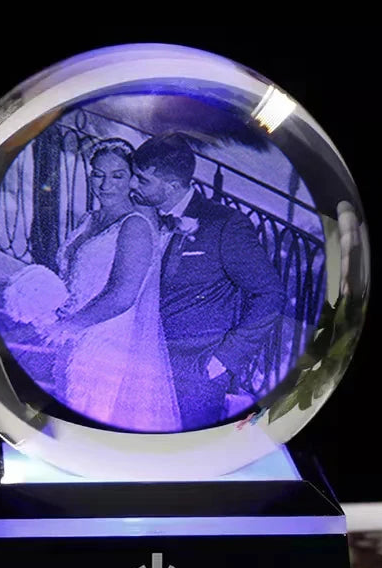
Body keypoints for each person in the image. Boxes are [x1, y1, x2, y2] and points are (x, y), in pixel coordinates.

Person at [131, 133, 285, 430]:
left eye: (142, 180)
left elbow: (270, 294)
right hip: (141, 361)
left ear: (171, 186)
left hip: (195, 372)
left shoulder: (225, 224)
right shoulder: (141, 215)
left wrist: (224, 359)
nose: (132, 185)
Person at [44, 138, 182, 432]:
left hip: (105, 342)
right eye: (98, 174)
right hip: (73, 333)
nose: (105, 185)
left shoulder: (136, 225)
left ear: (132, 179)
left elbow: (122, 295)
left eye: (117, 176)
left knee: (88, 417)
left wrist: (70, 325)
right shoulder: (90, 219)